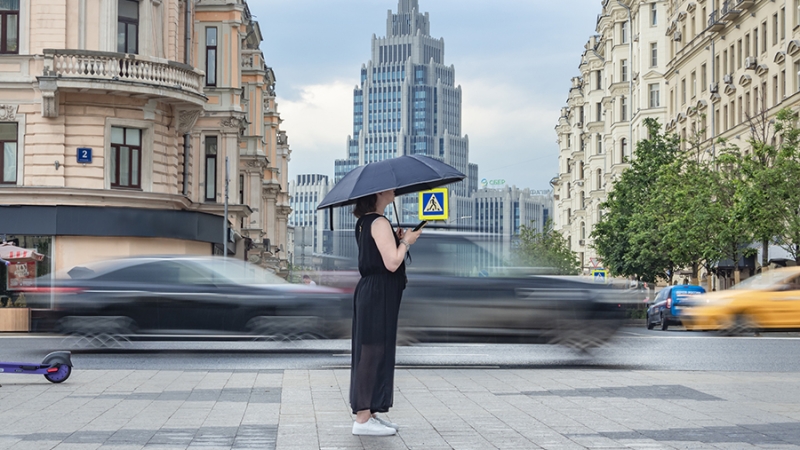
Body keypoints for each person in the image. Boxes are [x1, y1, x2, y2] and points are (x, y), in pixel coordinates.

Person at [349, 189, 421, 436]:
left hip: (373, 291)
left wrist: (396, 239)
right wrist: (405, 242)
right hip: (378, 292)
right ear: (378, 193)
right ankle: (362, 418)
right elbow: (392, 262)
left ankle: (371, 412)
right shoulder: (379, 222)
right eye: (389, 189)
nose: (394, 191)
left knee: (374, 350)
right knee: (372, 351)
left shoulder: (366, 221)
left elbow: (380, 256)